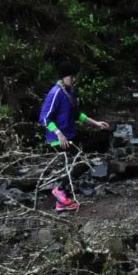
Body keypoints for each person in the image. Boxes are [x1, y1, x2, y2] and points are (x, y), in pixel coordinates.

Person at [38, 66, 109, 211]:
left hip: (70, 136)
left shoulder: (70, 91)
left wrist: (96, 123)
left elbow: (77, 115)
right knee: (79, 163)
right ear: (63, 77)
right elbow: (44, 118)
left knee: (77, 165)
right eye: (71, 77)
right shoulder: (56, 92)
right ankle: (59, 192)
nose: (73, 79)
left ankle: (61, 201)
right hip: (58, 138)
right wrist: (58, 132)